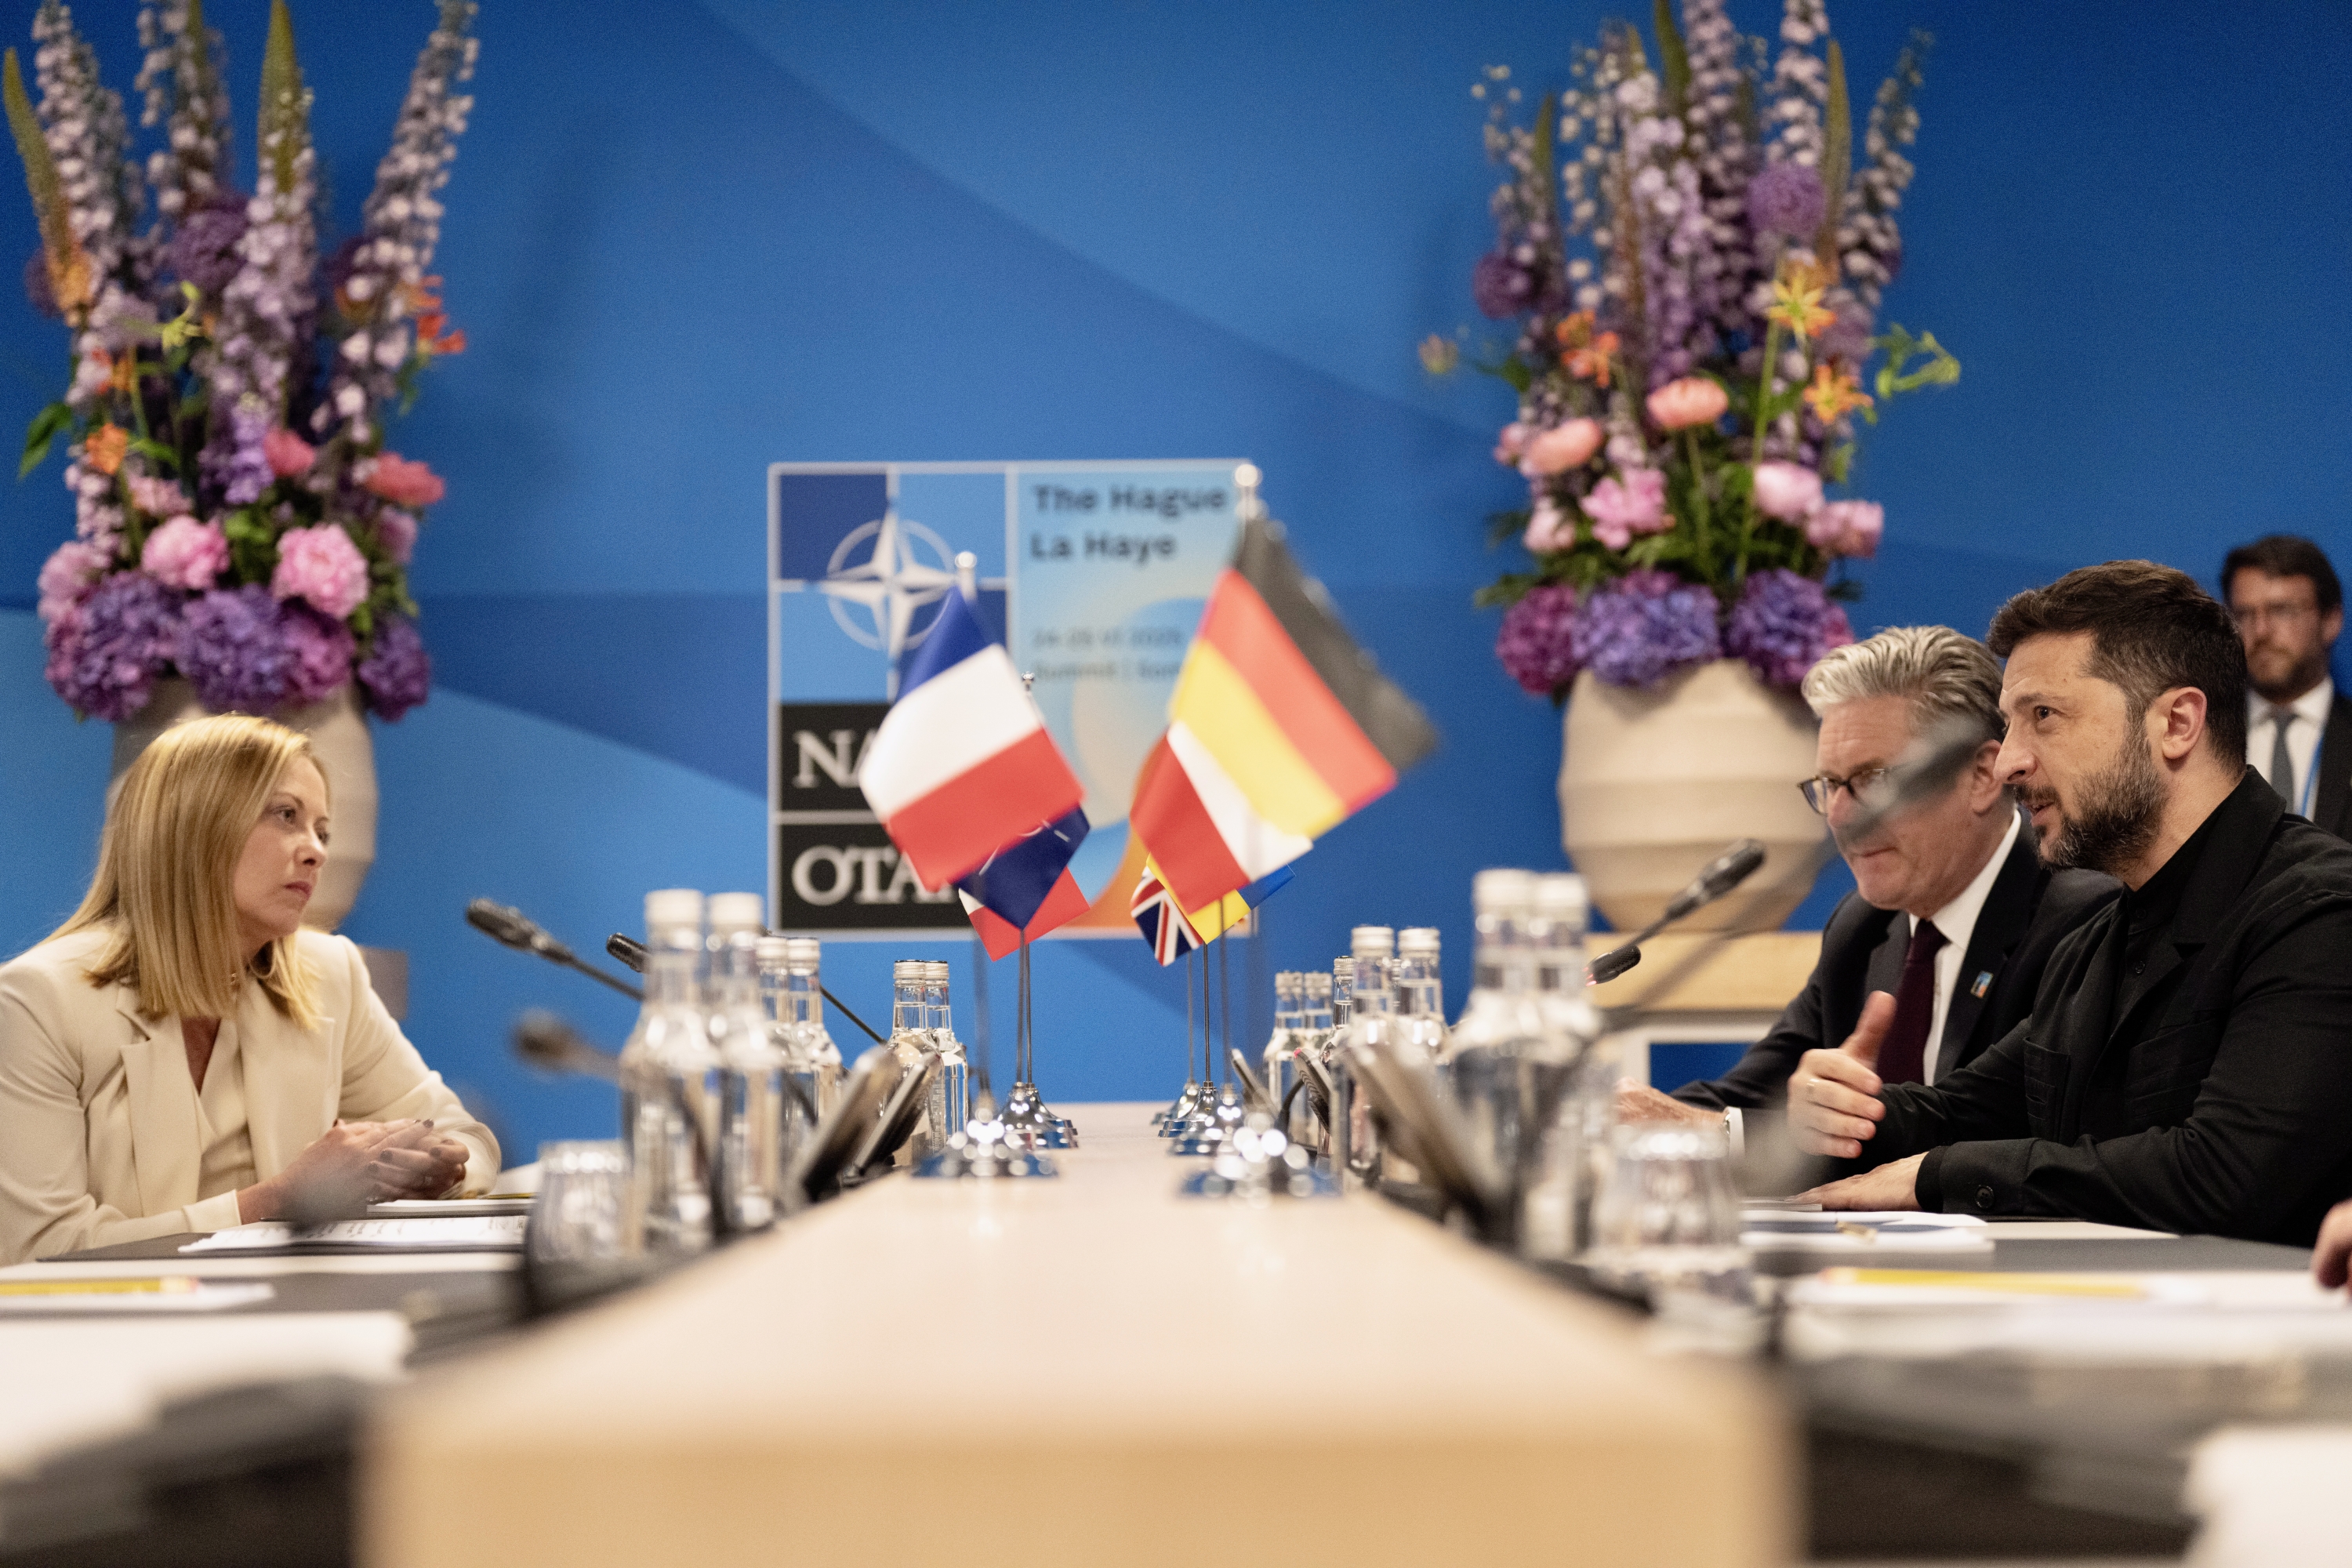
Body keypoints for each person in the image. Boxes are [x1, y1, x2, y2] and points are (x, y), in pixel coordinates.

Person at [1788, 561, 2352, 1245]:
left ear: (2177, 723)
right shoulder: (2097, 942)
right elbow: (1967, 1112)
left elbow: (2223, 1175)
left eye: (2044, 717)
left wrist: (1940, 1173)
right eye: (2010, 724)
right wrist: (1847, 1113)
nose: (2008, 762)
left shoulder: (2320, 914)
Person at [0, 714, 499, 1263]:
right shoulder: (36, 1000)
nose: (316, 852)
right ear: (192, 824)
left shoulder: (330, 973)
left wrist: (439, 1166)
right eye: (286, 816)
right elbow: (37, 1249)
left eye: (323, 831)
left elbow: (464, 1135)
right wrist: (280, 1200)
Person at [1617, 627, 2115, 1137]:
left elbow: (1989, 1131)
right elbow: (1746, 1093)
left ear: (1982, 776)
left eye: (1874, 779)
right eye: (1830, 785)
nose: (1839, 816)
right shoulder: (1863, 927)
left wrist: (1719, 1134)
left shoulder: (2082, 921)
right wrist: (1623, 1115)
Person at [2223, 534, 2352, 833]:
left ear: (2331, 621)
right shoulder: (2205, 737)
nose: (2261, 631)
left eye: (2282, 610)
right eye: (2244, 614)